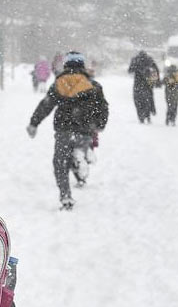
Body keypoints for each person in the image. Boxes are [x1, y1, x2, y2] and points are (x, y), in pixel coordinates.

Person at [26, 52, 109, 210]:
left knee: (60, 163)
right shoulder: (94, 85)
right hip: (85, 129)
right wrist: (100, 124)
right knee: (78, 150)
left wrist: (34, 123)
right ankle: (81, 158)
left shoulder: (59, 83)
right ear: (82, 65)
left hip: (64, 129)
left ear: (66, 65)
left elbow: (46, 105)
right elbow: (103, 108)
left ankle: (65, 196)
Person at [128, 51, 159, 124]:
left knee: (138, 101)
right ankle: (148, 115)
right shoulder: (149, 60)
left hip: (137, 84)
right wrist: (157, 81)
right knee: (148, 100)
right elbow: (156, 70)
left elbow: (130, 70)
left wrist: (137, 68)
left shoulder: (135, 60)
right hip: (147, 83)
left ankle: (141, 117)